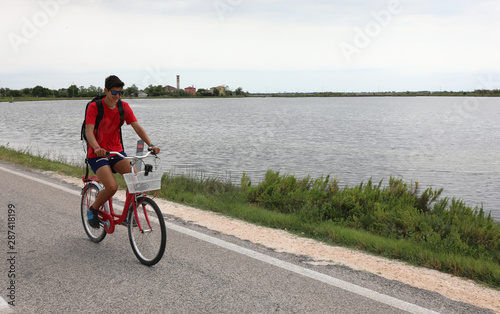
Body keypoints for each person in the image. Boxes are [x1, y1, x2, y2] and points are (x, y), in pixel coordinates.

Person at [85, 75, 160, 228]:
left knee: (135, 181)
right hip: (98, 154)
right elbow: (89, 131)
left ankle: (127, 215)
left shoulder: (123, 107)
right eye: (114, 92)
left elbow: (137, 127)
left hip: (117, 152)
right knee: (112, 187)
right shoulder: (94, 107)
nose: (117, 96)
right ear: (106, 91)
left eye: (120, 93)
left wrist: (150, 144)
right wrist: (97, 147)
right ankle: (92, 210)